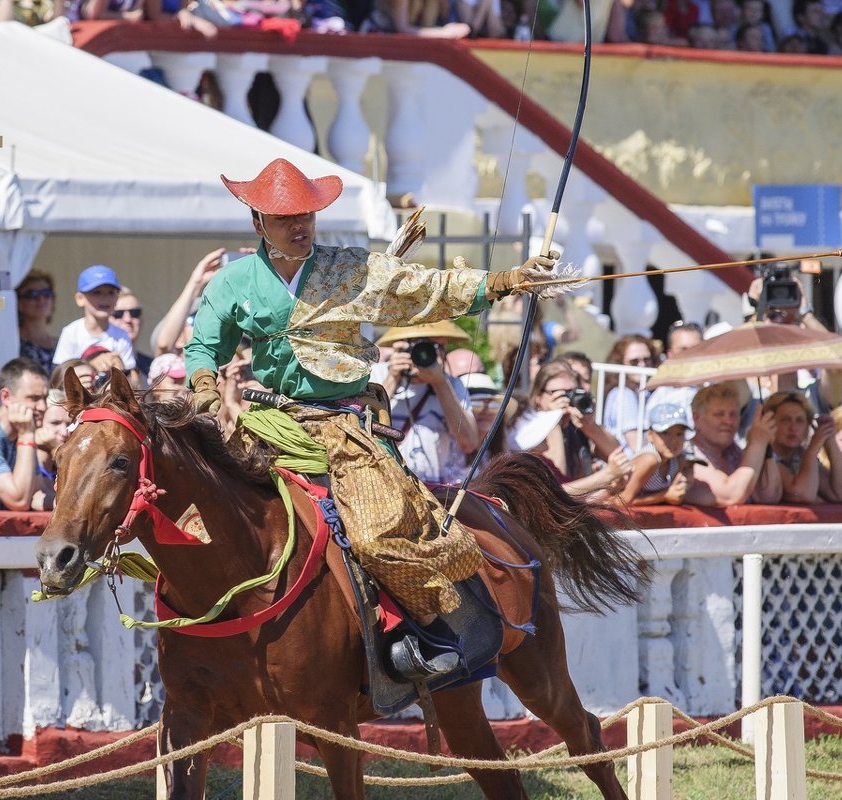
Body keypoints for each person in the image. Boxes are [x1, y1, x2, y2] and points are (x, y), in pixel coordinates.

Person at [182, 158, 561, 679]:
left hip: (343, 426)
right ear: (257, 223)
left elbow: (421, 287)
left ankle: (428, 630)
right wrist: (203, 382)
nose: (300, 226)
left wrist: (505, 280)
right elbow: (204, 344)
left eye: (308, 216)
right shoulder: (233, 283)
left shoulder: (350, 270)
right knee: (200, 518)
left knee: (376, 534)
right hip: (269, 422)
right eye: (287, 217)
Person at [371, 321, 480, 486]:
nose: (426, 353)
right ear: (402, 346)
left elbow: (469, 443)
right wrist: (393, 379)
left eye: (438, 347)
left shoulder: (452, 385)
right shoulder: (378, 376)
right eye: (420, 345)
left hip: (433, 490)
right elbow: (360, 428)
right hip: (385, 485)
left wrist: (440, 383)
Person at [509, 362, 632, 502]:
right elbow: (556, 488)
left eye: (573, 393)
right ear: (538, 397)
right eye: (560, 393)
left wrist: (589, 426)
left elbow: (618, 453)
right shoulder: (528, 433)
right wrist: (553, 421)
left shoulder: (576, 427)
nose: (568, 399)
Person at [683, 382, 782, 506]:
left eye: (733, 414)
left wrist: (765, 446)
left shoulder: (734, 451)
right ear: (696, 418)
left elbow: (769, 496)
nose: (728, 421)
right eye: (719, 414)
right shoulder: (687, 454)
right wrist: (757, 444)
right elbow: (730, 495)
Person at [763, 391, 842, 504]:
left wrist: (830, 442)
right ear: (770, 423)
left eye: (799, 421)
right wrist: (813, 449)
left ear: (808, 426)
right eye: (785, 420)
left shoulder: (800, 455)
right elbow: (802, 494)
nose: (793, 427)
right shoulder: (764, 454)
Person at [0, 358, 50, 511]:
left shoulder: (22, 432)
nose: (43, 407)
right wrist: (27, 436)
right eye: (34, 398)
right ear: (6, 397)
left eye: (45, 399)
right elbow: (19, 501)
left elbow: (36, 493)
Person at [51, 265, 136, 372]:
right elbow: (61, 374)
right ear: (80, 298)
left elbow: (131, 376)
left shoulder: (121, 335)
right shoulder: (71, 332)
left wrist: (118, 365)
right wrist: (92, 365)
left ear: (117, 297)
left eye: (111, 292)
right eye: (96, 292)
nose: (105, 298)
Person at [151, 248, 228, 357]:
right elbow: (163, 345)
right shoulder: (173, 366)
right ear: (178, 342)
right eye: (193, 320)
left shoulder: (227, 359)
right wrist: (196, 284)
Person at [617, 403, 696, 506]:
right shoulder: (650, 459)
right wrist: (664, 496)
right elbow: (622, 502)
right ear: (650, 434)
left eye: (679, 434)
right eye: (665, 433)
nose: (674, 440)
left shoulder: (679, 459)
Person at [602, 333, 660, 454]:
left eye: (646, 359)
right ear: (620, 363)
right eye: (634, 361)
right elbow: (637, 445)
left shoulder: (644, 393)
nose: (642, 365)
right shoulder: (623, 394)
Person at [16, 270, 59, 369]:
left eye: (46, 293)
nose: (41, 299)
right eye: (32, 294)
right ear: (19, 303)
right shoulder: (14, 344)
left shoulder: (62, 344)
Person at [112, 287, 153, 385]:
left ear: (141, 320)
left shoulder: (150, 365)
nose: (128, 319)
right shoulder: (97, 363)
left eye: (134, 313)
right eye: (118, 314)